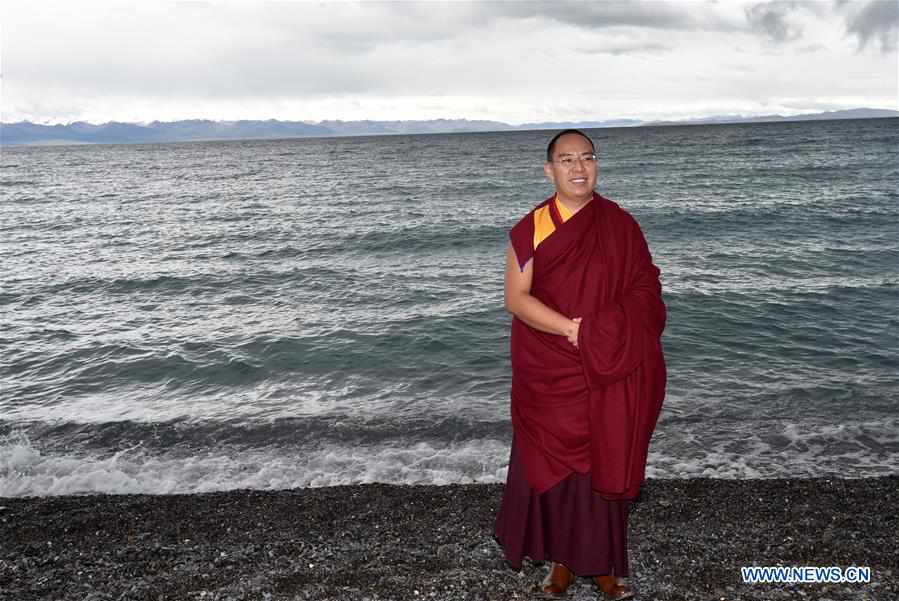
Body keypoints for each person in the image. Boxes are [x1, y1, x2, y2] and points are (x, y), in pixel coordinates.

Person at [494, 129, 667, 600]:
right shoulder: (530, 228)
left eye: (587, 158)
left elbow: (646, 291)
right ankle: (561, 564)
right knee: (549, 467)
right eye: (566, 159)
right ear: (549, 170)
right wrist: (573, 331)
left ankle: (604, 566)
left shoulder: (620, 225)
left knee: (603, 460)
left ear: (596, 166)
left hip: (607, 364)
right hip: (548, 365)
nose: (578, 167)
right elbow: (516, 298)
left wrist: (604, 334)